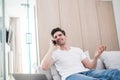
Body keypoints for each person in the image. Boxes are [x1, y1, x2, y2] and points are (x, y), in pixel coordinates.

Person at [41, 27, 120, 80]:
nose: (58, 37)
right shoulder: (54, 53)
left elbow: (90, 66)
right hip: (71, 76)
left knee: (114, 72)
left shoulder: (77, 50)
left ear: (65, 36)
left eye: (60, 35)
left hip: (87, 72)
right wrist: (51, 47)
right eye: (55, 37)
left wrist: (96, 57)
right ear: (54, 40)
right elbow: (44, 67)